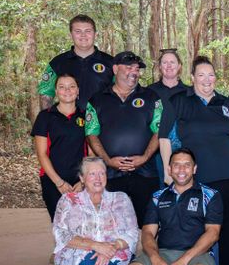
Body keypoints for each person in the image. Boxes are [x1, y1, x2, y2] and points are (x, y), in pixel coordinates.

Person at [161, 55, 229, 265]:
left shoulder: (226, 103)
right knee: (199, 229)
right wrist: (169, 174)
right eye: (201, 75)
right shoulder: (178, 101)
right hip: (198, 179)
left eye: (211, 75)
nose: (207, 80)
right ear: (192, 78)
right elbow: (165, 138)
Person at [85, 51, 162, 227]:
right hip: (110, 174)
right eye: (128, 67)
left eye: (136, 68)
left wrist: (144, 158)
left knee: (148, 222)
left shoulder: (151, 98)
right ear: (115, 69)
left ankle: (145, 255)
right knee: (112, 223)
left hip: (145, 173)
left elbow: (159, 131)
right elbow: (91, 133)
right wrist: (108, 160)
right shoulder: (97, 100)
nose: (134, 72)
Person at [31, 73, 86, 220]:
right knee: (60, 225)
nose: (67, 91)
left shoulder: (87, 116)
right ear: (56, 91)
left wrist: (83, 181)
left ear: (78, 90)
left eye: (72, 86)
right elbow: (41, 154)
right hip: (53, 179)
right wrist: (59, 182)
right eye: (62, 87)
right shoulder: (45, 117)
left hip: (80, 180)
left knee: (83, 225)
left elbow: (92, 153)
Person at [38, 14, 113, 110]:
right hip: (67, 123)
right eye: (78, 31)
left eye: (88, 31)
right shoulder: (57, 63)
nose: (83, 35)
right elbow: (46, 94)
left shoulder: (111, 63)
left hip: (102, 123)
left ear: (95, 34)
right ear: (70, 35)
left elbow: (124, 93)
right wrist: (48, 121)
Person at [150, 48, 189, 183]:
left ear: (179, 66)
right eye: (165, 63)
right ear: (160, 67)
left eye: (172, 62)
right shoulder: (149, 92)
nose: (168, 66)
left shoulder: (189, 92)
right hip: (156, 152)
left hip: (185, 150)